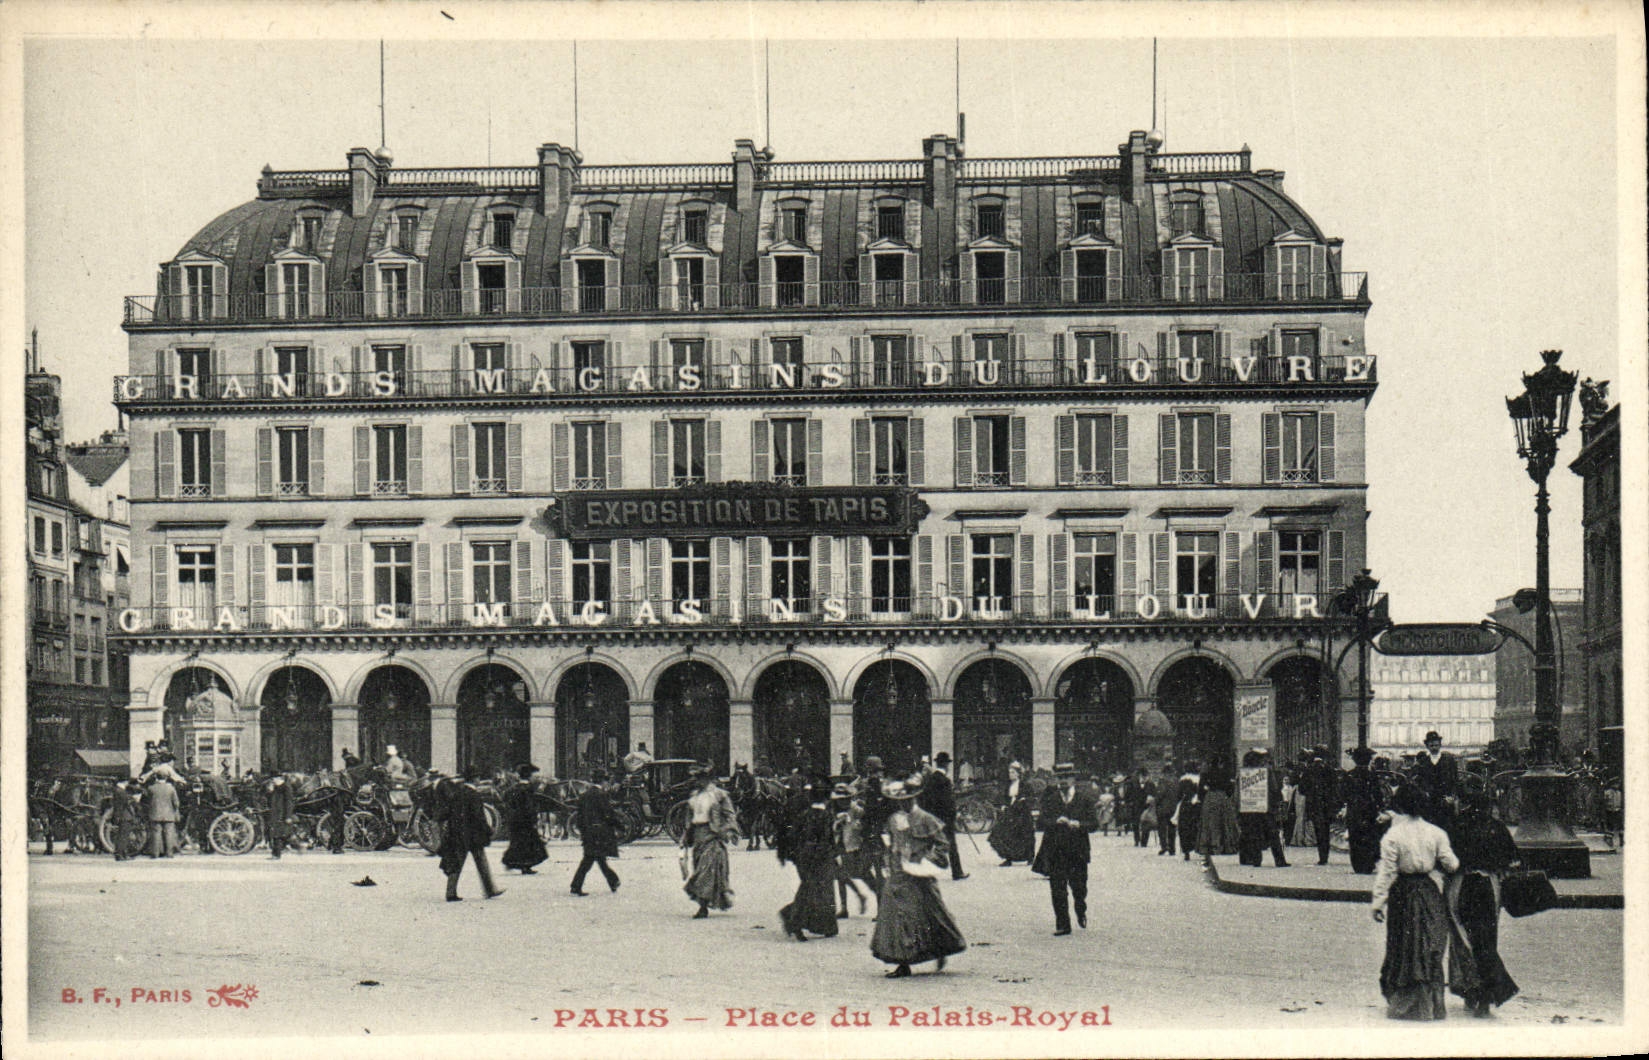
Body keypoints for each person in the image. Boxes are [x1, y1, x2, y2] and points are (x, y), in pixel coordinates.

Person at [1371, 785, 1459, 1020]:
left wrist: (1378, 902)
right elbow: (1451, 864)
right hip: (1429, 891)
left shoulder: (1393, 835)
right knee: (1429, 945)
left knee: (1404, 946)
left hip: (1403, 892)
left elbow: (1387, 871)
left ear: (1399, 806)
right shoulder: (1436, 832)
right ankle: (1432, 1004)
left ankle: (1406, 1003)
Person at [870, 778, 966, 977]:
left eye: (907, 799)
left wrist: (925, 861)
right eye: (900, 800)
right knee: (895, 915)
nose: (902, 803)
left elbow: (942, 844)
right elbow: (890, 843)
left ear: (914, 799)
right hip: (897, 875)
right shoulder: (894, 819)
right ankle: (902, 961)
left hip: (918, 876)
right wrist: (887, 859)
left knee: (929, 914)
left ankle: (940, 949)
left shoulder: (925, 818)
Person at [1446, 794, 1520, 1017]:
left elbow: (1448, 860)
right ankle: (1487, 995)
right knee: (1486, 938)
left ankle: (1470, 990)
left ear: (1467, 804)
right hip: (1489, 886)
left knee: (1462, 937)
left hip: (1461, 884)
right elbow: (1512, 860)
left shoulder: (1457, 825)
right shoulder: (1496, 827)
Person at [1033, 765, 1100, 936]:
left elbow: (1094, 824)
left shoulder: (1084, 799)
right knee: (1057, 888)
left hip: (1078, 851)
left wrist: (1079, 824)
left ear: (1073, 780)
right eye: (1060, 777)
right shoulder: (1050, 799)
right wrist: (1055, 821)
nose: (1063, 781)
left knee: (1079, 887)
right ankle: (1063, 924)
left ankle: (1080, 907)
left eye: (1067, 777)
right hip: (1056, 851)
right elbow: (1040, 822)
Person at [778, 779, 840, 942]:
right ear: (826, 799)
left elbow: (793, 836)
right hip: (821, 857)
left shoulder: (804, 815)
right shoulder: (826, 816)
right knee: (820, 890)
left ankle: (814, 924)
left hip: (804, 856)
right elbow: (828, 838)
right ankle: (797, 920)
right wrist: (834, 854)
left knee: (809, 888)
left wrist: (796, 854)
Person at [682, 768, 738, 918]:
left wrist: (727, 830)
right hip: (698, 836)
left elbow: (730, 815)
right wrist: (685, 836)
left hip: (712, 836)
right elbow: (689, 819)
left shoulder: (719, 795)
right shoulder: (694, 797)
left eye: (701, 778)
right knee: (699, 867)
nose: (698, 781)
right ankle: (707, 900)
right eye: (697, 778)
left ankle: (703, 906)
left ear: (709, 779)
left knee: (706, 870)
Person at [436, 778, 504, 902]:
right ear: (476, 779)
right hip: (472, 833)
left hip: (458, 832)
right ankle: (489, 889)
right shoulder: (474, 794)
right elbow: (478, 815)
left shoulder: (457, 792)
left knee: (458, 861)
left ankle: (451, 892)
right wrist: (488, 830)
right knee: (480, 861)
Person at [570, 771, 622, 895]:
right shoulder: (601, 795)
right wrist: (619, 825)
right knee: (590, 860)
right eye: (606, 781)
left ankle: (613, 881)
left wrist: (583, 831)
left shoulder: (584, 795)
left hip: (589, 833)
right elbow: (608, 814)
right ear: (603, 782)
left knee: (598, 858)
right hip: (600, 833)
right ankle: (576, 887)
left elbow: (579, 817)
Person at [917, 752, 966, 880]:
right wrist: (955, 814)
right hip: (945, 818)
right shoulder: (945, 781)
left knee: (929, 844)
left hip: (932, 817)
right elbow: (948, 802)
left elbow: (925, 799)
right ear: (946, 765)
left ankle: (921, 871)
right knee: (951, 844)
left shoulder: (930, 779)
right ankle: (957, 872)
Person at [832, 783, 874, 917]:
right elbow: (833, 827)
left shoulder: (856, 809)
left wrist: (857, 825)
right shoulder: (835, 810)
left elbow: (866, 822)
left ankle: (880, 901)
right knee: (840, 875)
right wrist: (837, 825)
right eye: (839, 799)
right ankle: (845, 907)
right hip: (842, 844)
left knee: (864, 875)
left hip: (855, 845)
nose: (841, 801)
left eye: (843, 799)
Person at [1343, 746, 1388, 874]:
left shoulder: (1349, 774)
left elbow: (1344, 794)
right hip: (1370, 810)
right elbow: (1377, 794)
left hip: (1354, 810)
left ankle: (1358, 864)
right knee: (1369, 836)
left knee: (1355, 837)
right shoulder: (1371, 775)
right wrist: (1381, 807)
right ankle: (1368, 864)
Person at [501, 764, 549, 874]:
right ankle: (523, 865)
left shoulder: (513, 788)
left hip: (515, 820)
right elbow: (529, 807)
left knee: (519, 843)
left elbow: (506, 799)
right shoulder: (528, 789)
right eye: (532, 776)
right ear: (528, 777)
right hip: (525, 821)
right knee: (529, 844)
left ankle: (518, 864)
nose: (533, 778)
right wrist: (533, 819)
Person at [988, 761, 1036, 866]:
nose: (1011, 775)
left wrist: (1024, 800)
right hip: (1011, 812)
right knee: (1005, 833)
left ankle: (1030, 857)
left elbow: (1031, 798)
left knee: (1026, 834)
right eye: (1009, 772)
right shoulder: (1008, 786)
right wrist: (1003, 805)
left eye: (1013, 772)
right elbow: (1003, 798)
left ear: (1018, 774)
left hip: (1022, 813)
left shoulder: (1025, 785)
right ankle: (1008, 857)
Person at [1410, 731, 1459, 827]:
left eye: (1436, 745)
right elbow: (1419, 782)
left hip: (1446, 800)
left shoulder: (1449, 760)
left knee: (1447, 827)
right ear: (1427, 746)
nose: (1434, 748)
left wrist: (1452, 796)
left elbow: (1455, 780)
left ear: (1440, 745)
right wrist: (1424, 794)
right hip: (1429, 801)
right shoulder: (1423, 762)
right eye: (1431, 745)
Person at [1301, 750, 1341, 865]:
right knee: (1326, 830)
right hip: (1327, 806)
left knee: (1319, 831)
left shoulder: (1308, 770)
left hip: (1314, 806)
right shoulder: (1330, 770)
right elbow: (1335, 788)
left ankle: (1322, 857)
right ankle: (1325, 855)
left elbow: (1302, 789)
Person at [1197, 753, 1240, 857]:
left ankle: (1210, 845)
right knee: (1224, 821)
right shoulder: (1225, 773)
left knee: (1210, 822)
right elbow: (1230, 788)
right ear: (1219, 763)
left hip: (1210, 797)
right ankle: (1225, 846)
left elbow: (1200, 788)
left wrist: (1203, 798)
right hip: (1222, 797)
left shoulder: (1206, 774)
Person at [145, 773, 181, 858]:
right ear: (166, 778)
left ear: (156, 778)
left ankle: (155, 854)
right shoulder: (171, 789)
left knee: (156, 834)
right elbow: (176, 803)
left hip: (155, 814)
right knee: (169, 834)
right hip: (169, 814)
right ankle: (169, 853)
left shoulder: (151, 788)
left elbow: (148, 801)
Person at [111, 777, 144, 861]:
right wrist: (134, 799)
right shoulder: (120, 791)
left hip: (123, 815)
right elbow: (125, 803)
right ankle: (120, 854)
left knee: (122, 836)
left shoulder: (118, 790)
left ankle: (123, 854)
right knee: (123, 836)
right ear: (124, 781)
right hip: (125, 816)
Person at [1176, 762, 1202, 861]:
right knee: (1196, 826)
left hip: (1186, 805)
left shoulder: (1183, 780)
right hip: (1197, 805)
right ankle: (1198, 847)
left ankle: (1186, 851)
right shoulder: (1199, 779)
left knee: (1184, 828)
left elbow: (1179, 795)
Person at [266, 774, 295, 859]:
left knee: (278, 835)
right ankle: (275, 853)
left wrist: (288, 816)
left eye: (274, 778)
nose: (273, 781)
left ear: (279, 779)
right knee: (276, 834)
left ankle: (276, 854)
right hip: (276, 814)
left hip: (282, 814)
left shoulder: (286, 788)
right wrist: (270, 792)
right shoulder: (276, 788)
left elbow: (289, 803)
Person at [1157, 763, 1180, 856]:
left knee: (1162, 828)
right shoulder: (1176, 781)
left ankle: (1164, 846)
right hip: (1173, 807)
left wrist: (1157, 801)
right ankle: (1172, 848)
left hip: (1163, 808)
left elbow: (1160, 794)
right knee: (1172, 828)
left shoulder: (1162, 781)